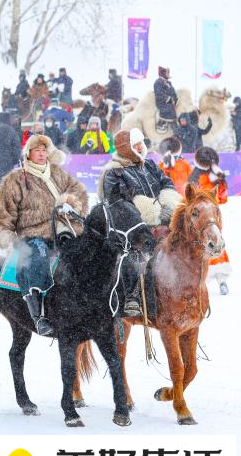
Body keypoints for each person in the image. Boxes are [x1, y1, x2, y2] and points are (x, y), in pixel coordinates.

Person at [0, 134, 88, 335]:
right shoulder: (15, 179)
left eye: (44, 150)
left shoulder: (58, 173)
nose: (42, 154)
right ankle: (39, 316)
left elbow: (80, 193)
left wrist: (71, 202)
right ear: (28, 154)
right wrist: (4, 236)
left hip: (63, 228)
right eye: (37, 151)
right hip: (32, 233)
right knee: (37, 258)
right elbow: (3, 212)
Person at [98, 128, 182, 316]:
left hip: (163, 222)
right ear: (125, 148)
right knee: (136, 257)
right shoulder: (113, 172)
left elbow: (167, 183)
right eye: (135, 144)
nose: (140, 147)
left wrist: (168, 204)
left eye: (140, 143)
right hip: (132, 228)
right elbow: (118, 204)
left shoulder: (150, 165)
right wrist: (147, 213)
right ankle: (133, 296)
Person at [189, 146, 230, 295]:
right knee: (199, 247)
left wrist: (221, 183)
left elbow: (223, 199)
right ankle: (198, 282)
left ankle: (221, 280)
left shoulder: (216, 175)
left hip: (214, 217)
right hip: (200, 219)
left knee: (216, 244)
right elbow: (191, 200)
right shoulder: (195, 176)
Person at [153, 66, 177, 132]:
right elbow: (159, 94)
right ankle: (163, 124)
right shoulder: (158, 82)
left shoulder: (169, 83)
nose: (168, 74)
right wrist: (168, 98)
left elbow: (173, 92)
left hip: (171, 102)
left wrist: (175, 98)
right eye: (167, 72)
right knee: (169, 110)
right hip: (162, 103)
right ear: (163, 73)